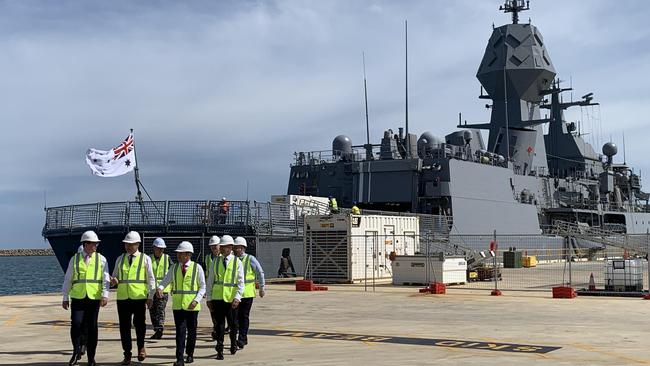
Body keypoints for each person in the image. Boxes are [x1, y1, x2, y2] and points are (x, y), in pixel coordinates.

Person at [62, 230, 110, 366]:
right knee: (76, 324)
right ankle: (76, 350)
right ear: (85, 244)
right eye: (93, 243)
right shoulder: (75, 259)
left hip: (93, 298)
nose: (95, 246)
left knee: (92, 328)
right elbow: (68, 278)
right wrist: (65, 296)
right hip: (78, 297)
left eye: (96, 244)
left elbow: (105, 279)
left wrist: (105, 295)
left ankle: (91, 358)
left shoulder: (101, 259)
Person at [157, 241, 206, 366]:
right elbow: (165, 280)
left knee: (192, 331)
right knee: (180, 332)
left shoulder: (197, 268)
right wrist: (160, 288)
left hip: (192, 306)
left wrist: (196, 300)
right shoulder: (173, 268)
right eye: (178, 253)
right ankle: (179, 359)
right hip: (178, 306)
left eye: (181, 253)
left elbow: (202, 287)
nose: (178, 256)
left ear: (188, 255)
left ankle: (190, 353)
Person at [110, 231, 156, 365]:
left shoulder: (145, 259)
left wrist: (150, 296)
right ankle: (127, 354)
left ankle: (141, 347)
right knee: (124, 327)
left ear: (138, 245)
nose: (128, 247)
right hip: (123, 298)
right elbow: (115, 276)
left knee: (140, 324)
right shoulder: (120, 259)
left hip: (139, 297)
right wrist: (114, 281)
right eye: (126, 244)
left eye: (131, 244)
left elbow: (151, 279)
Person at [206, 235, 244, 360]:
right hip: (217, 299)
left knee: (233, 324)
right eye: (220, 246)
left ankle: (233, 344)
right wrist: (209, 298)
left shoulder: (237, 262)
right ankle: (220, 349)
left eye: (224, 247)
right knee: (219, 326)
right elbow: (210, 280)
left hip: (231, 299)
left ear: (230, 247)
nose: (221, 249)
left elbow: (240, 282)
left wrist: (237, 298)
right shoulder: (215, 262)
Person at [233, 236, 266, 349]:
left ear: (243, 248)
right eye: (235, 247)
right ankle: (242, 337)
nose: (236, 249)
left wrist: (262, 287)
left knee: (243, 316)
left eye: (238, 247)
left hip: (247, 293)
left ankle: (241, 338)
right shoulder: (233, 259)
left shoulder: (250, 259)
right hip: (235, 293)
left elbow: (260, 272)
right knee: (235, 317)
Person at [149, 237, 172, 339]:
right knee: (152, 310)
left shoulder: (167, 258)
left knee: (160, 309)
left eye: (162, 248)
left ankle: (159, 329)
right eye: (159, 248)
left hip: (164, 289)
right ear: (154, 248)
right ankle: (156, 328)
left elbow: (172, 273)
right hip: (151, 289)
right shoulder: (148, 259)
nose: (161, 250)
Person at [204, 235, 221, 340]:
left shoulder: (225, 257)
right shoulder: (207, 258)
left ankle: (222, 328)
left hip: (224, 290)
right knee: (213, 311)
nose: (214, 248)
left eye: (215, 246)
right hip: (212, 289)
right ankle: (216, 329)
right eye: (212, 246)